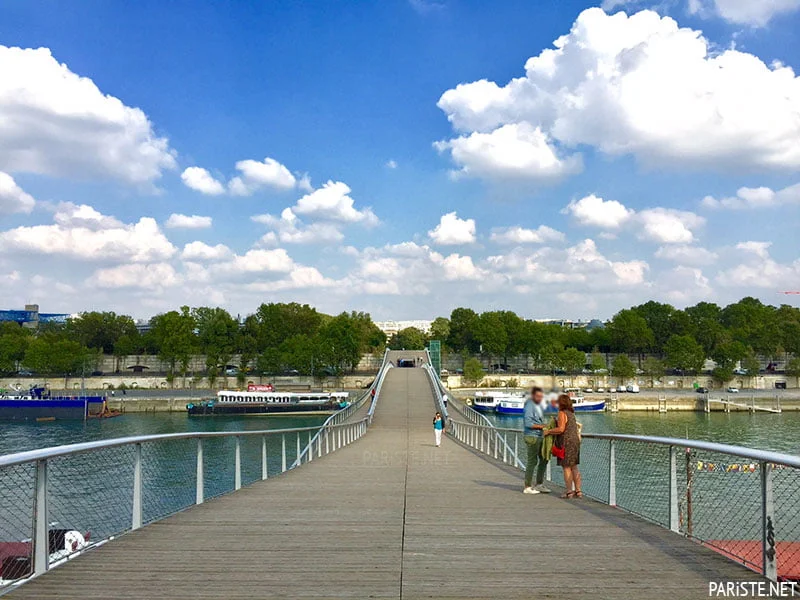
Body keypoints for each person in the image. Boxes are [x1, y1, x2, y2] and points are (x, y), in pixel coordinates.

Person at [544, 393, 582, 499]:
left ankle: (569, 491)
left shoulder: (561, 413)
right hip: (575, 442)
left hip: (566, 442)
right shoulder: (571, 413)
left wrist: (549, 431)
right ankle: (578, 491)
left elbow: (561, 429)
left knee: (566, 467)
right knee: (574, 467)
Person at [522, 386, 549, 494]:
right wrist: (543, 426)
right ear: (533, 395)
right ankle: (527, 486)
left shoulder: (538, 406)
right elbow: (528, 423)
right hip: (532, 436)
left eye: (541, 396)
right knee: (532, 461)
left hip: (540, 436)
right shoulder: (529, 405)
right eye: (538, 396)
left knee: (544, 459)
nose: (540, 398)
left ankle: (539, 484)